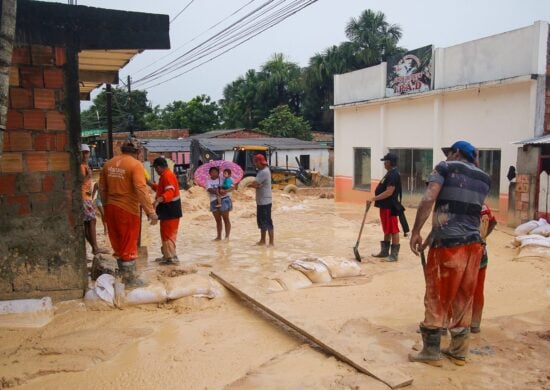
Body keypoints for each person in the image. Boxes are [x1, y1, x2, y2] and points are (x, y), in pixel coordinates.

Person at [408, 140, 491, 366]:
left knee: (436, 296)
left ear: (456, 153)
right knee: (464, 299)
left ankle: (431, 352)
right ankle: (458, 351)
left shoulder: (445, 167)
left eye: (449, 153)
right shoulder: (485, 178)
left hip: (448, 247)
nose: (447, 157)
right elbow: (461, 215)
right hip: (474, 247)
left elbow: (428, 199)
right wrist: (427, 241)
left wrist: (415, 231)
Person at [99, 142, 158, 287]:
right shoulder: (135, 165)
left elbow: (101, 188)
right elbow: (141, 189)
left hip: (111, 207)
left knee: (118, 245)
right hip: (127, 209)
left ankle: (121, 277)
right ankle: (130, 279)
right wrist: (150, 211)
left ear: (122, 150)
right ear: (136, 152)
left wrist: (106, 208)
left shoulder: (108, 164)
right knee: (128, 242)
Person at [149, 157, 183, 265]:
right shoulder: (166, 175)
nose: (155, 171)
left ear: (158, 167)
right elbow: (161, 188)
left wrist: (158, 200)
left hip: (171, 210)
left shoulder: (168, 176)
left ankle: (171, 258)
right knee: (165, 233)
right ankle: (168, 255)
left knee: (168, 234)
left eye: (155, 168)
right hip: (168, 211)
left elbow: (170, 191)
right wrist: (150, 184)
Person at [370, 152, 402, 262]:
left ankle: (394, 255)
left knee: (393, 230)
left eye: (385, 161)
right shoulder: (389, 173)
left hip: (390, 206)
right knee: (387, 229)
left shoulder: (393, 174)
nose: (384, 163)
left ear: (389, 162)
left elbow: (389, 192)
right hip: (385, 206)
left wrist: (373, 199)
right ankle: (384, 252)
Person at [80, 144, 107, 255]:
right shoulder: (81, 166)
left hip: (88, 197)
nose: (86, 154)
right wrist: (88, 175)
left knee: (88, 223)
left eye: (87, 152)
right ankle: (95, 248)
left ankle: (94, 247)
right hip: (84, 197)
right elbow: (80, 181)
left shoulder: (85, 165)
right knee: (92, 221)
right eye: (84, 152)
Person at [249, 154, 273, 246]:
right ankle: (263, 241)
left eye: (255, 162)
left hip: (265, 201)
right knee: (262, 221)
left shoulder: (264, 172)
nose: (254, 164)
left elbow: (254, 183)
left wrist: (252, 185)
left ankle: (271, 243)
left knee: (267, 221)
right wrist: (256, 185)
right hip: (262, 200)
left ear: (258, 162)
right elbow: (256, 184)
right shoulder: (262, 170)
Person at [206, 166, 232, 240]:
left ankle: (227, 237)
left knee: (226, 219)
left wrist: (225, 191)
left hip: (224, 199)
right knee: (218, 220)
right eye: (212, 172)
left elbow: (232, 186)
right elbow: (209, 189)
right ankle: (219, 236)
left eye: (215, 172)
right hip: (214, 201)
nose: (214, 173)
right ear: (209, 173)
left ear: (218, 173)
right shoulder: (208, 181)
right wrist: (216, 191)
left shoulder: (224, 179)